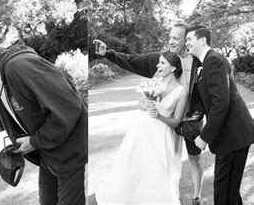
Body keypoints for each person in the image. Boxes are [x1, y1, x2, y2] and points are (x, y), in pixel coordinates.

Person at [0, 29, 88, 205]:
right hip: (50, 159)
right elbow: (0, 122)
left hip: (73, 157)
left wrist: (35, 142)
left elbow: (69, 107)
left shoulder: (19, 66)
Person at [94, 22, 205, 204]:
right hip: (165, 120)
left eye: (176, 38)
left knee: (194, 158)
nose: (171, 41)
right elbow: (133, 60)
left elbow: (208, 90)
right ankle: (160, 192)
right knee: (167, 160)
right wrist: (108, 54)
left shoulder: (198, 61)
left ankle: (197, 196)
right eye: (170, 37)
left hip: (191, 120)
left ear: (187, 40)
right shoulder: (161, 59)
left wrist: (201, 116)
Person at [99, 51, 188, 204]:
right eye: (158, 62)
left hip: (161, 134)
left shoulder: (181, 92)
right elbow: (139, 104)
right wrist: (145, 104)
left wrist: (159, 116)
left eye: (162, 63)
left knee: (157, 170)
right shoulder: (155, 81)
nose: (157, 65)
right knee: (134, 164)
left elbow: (176, 121)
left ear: (173, 68)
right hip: (141, 129)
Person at [185, 25, 254, 205]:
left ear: (202, 40)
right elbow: (211, 98)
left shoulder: (213, 60)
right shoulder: (206, 62)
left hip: (234, 135)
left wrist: (204, 136)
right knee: (228, 191)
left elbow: (221, 103)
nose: (187, 43)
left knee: (224, 192)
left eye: (189, 39)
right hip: (229, 136)